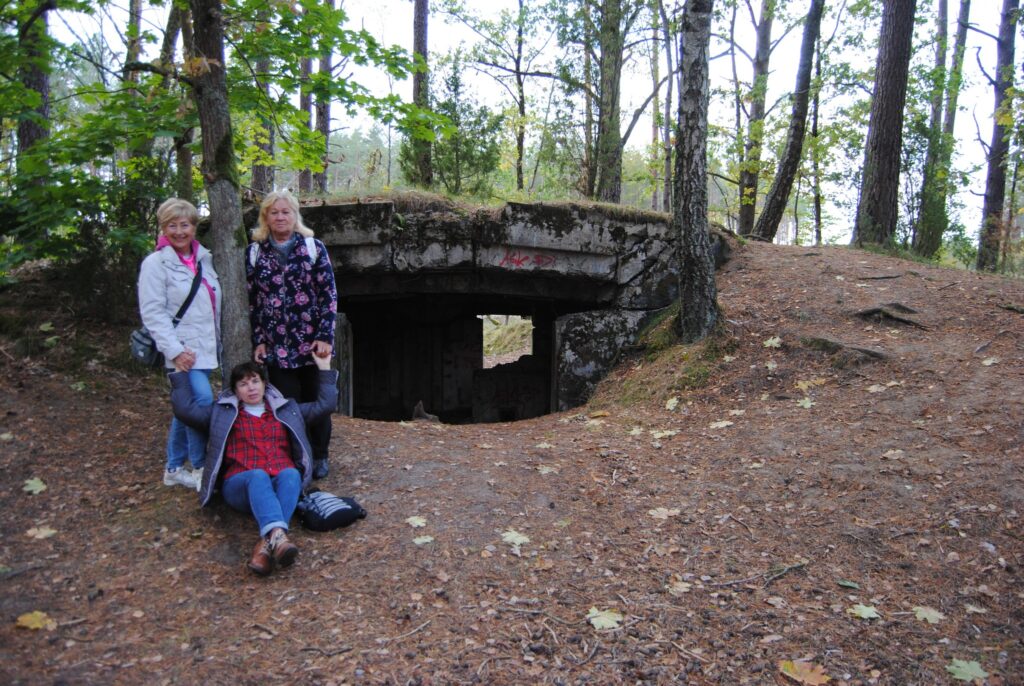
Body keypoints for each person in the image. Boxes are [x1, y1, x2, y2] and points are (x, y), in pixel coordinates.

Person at [170, 353, 338, 576]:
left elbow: (326, 405)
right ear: (235, 390)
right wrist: (180, 373)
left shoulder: (287, 410)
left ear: (264, 384)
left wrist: (324, 367)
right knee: (257, 475)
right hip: (240, 487)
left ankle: (268, 543)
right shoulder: (222, 413)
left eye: (255, 381)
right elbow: (185, 410)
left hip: (280, 485)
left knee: (291, 474)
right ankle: (277, 537)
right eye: (243, 384)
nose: (250, 388)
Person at [246, 190, 338, 479]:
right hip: (277, 347)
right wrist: (259, 339)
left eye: (286, 211)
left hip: (312, 345)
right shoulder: (255, 252)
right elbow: (253, 301)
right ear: (266, 217)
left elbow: (328, 294)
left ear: (295, 215)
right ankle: (300, 455)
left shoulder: (313, 247)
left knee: (319, 404)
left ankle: (321, 455)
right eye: (274, 212)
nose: (281, 217)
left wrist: (325, 335)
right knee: (288, 407)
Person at [138, 198, 221, 491]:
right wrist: (174, 351)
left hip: (206, 348)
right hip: (181, 351)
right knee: (201, 403)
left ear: (194, 227)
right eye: (172, 225)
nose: (179, 231)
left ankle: (174, 468)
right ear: (163, 228)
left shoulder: (205, 259)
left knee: (185, 409)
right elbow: (152, 313)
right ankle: (199, 467)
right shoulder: (155, 264)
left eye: (184, 225)